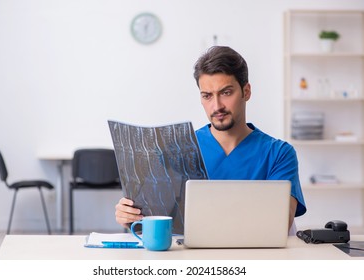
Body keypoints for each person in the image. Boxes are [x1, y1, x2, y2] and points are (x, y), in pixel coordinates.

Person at [115, 46, 306, 233]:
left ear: (246, 92)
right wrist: (131, 217)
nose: (216, 106)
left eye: (226, 93)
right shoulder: (178, 151)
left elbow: (280, 223)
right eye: (207, 96)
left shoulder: (279, 154)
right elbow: (156, 221)